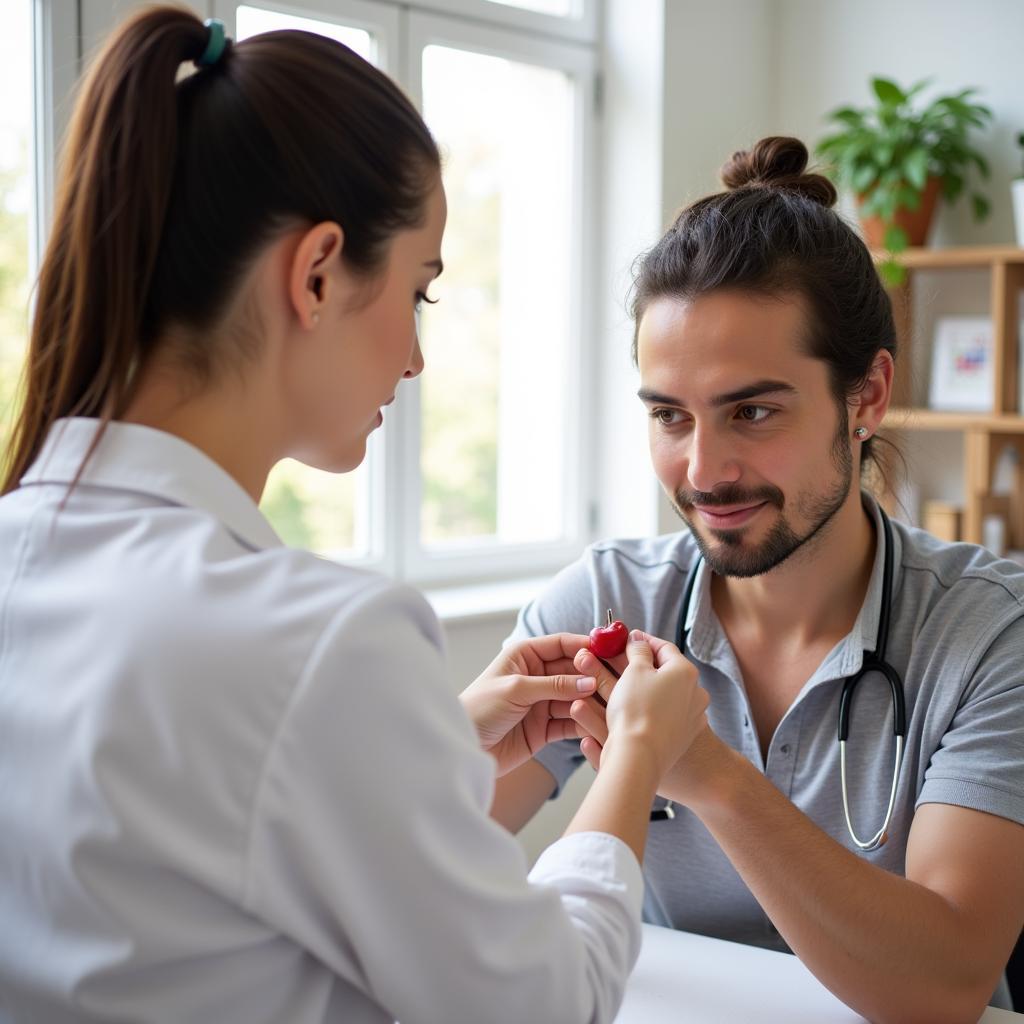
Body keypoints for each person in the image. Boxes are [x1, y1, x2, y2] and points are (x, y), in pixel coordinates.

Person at [0, 9, 710, 1023]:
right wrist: (636, 762)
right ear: (319, 271)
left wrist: (441, 744)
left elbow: (193, 844)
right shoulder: (317, 642)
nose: (416, 361)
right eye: (418, 293)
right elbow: (545, 1003)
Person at [494, 136, 1024, 1022]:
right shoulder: (608, 603)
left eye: (753, 411)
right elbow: (398, 874)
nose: (704, 470)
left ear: (866, 396)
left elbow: (947, 983)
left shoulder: (989, 637)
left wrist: (707, 772)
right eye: (670, 415)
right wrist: (450, 745)